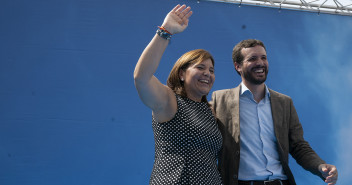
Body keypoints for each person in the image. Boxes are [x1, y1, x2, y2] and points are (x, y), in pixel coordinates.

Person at [211, 39, 338, 185]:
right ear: (237, 66)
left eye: (263, 58)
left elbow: (298, 146)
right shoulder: (219, 100)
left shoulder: (284, 103)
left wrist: (320, 166)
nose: (260, 63)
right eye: (252, 58)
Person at [134, 4, 222, 185]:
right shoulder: (169, 101)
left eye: (211, 70)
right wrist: (165, 32)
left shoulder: (211, 110)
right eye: (200, 67)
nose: (207, 73)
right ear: (181, 74)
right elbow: (142, 78)